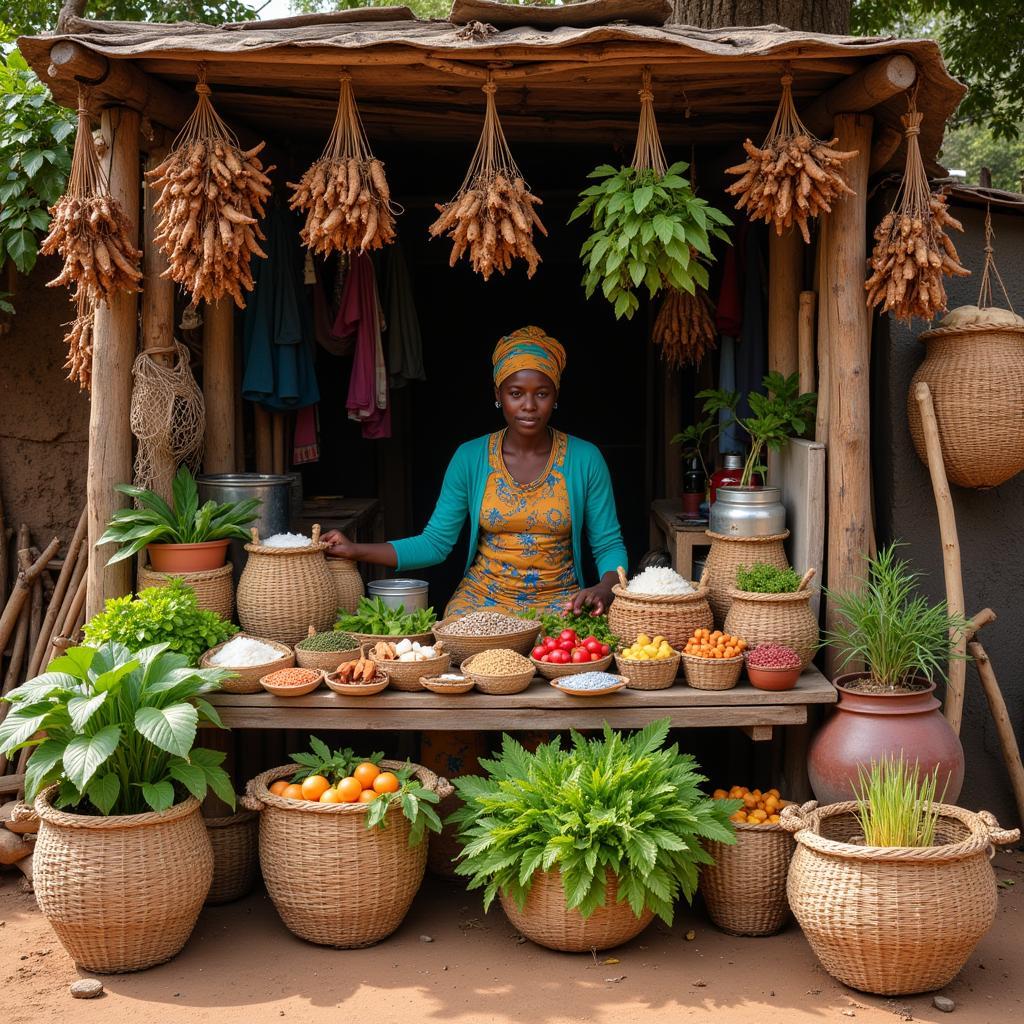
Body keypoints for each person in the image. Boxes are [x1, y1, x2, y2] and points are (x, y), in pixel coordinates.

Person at [323, 326, 627, 616]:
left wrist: (604, 587)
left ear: (556, 396)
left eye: (542, 393)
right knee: (461, 650)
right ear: (498, 395)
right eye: (516, 393)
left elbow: (608, 544)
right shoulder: (470, 457)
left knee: (574, 657)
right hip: (481, 601)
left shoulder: (585, 459)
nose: (529, 405)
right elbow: (435, 544)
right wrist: (354, 549)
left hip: (562, 603)